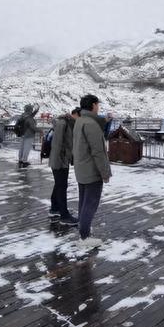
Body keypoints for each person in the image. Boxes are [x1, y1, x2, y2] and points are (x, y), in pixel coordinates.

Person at [73, 94, 112, 249]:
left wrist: (104, 120)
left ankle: (83, 227)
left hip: (81, 168)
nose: (99, 107)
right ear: (94, 105)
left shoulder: (80, 121)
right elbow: (99, 152)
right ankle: (85, 237)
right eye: (98, 105)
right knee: (91, 203)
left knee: (83, 201)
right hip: (91, 170)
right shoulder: (91, 124)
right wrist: (105, 172)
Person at [48, 107, 81, 226]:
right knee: (62, 186)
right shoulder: (63, 123)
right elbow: (57, 144)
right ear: (75, 114)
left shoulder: (69, 124)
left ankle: (54, 208)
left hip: (62, 159)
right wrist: (58, 162)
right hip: (59, 160)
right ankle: (64, 215)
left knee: (59, 184)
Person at [17, 103, 39, 168]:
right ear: (30, 110)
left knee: (21, 148)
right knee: (27, 148)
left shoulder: (23, 115)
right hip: (29, 135)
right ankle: (24, 161)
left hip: (22, 134)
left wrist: (36, 110)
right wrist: (40, 131)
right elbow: (33, 127)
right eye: (31, 109)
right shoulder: (29, 118)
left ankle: (20, 160)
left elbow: (32, 114)